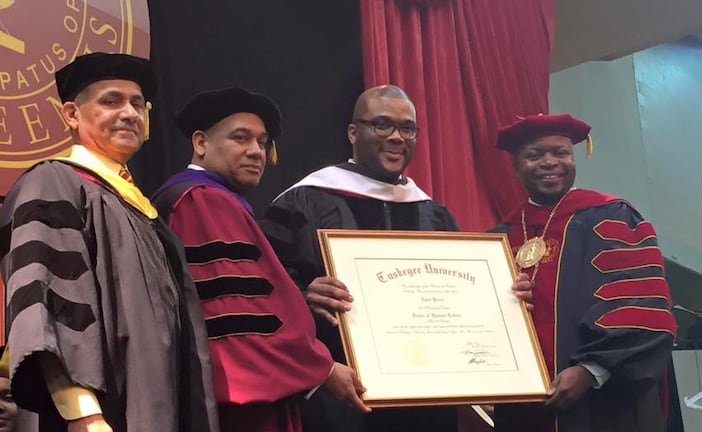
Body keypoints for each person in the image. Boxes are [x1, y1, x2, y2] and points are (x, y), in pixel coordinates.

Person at [0, 53, 218, 432]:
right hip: (101, 413)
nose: (130, 113)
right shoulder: (54, 182)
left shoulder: (141, 207)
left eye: (138, 103)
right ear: (71, 114)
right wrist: (82, 411)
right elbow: (49, 305)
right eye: (111, 100)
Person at [151, 87, 369, 432]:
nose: (256, 151)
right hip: (242, 403)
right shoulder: (203, 202)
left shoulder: (204, 199)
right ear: (200, 143)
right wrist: (322, 369)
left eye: (262, 142)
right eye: (241, 138)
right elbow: (239, 315)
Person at [260, 85, 459, 432]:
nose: (397, 137)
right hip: (341, 395)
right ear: (354, 133)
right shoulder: (305, 201)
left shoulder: (433, 214)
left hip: (428, 395)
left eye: (407, 128)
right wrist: (304, 294)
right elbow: (263, 284)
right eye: (382, 125)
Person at [490, 113, 676, 432]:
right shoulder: (497, 240)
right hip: (520, 409)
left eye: (560, 152)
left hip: (600, 406)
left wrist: (590, 371)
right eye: (534, 155)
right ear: (516, 166)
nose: (550, 162)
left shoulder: (611, 217)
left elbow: (641, 306)